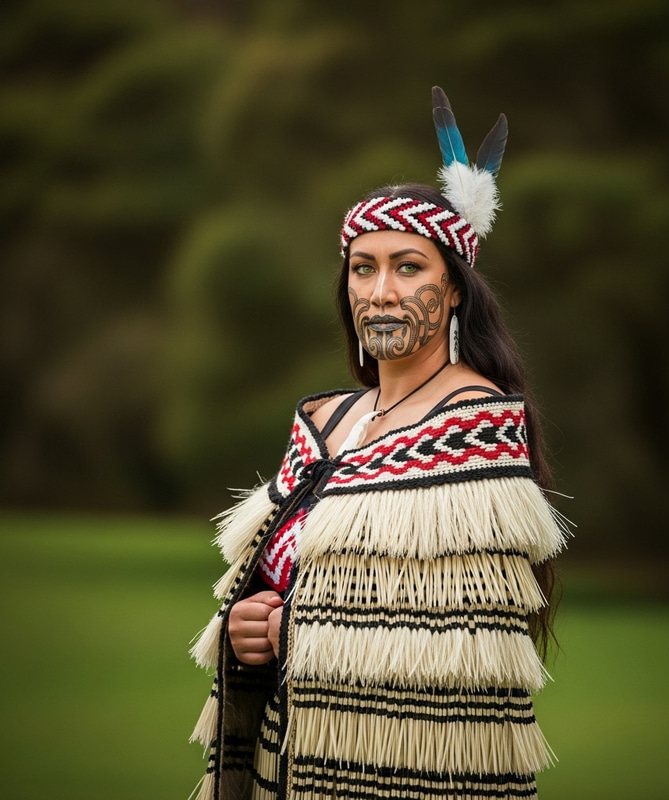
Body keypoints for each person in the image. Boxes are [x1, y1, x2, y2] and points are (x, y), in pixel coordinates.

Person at [189, 87, 569, 800]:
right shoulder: (326, 421)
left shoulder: (475, 425)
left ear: (454, 290)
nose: (381, 291)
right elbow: (277, 583)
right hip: (287, 765)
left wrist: (297, 631)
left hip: (413, 778)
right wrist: (243, 626)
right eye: (363, 267)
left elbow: (469, 645)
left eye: (409, 266)